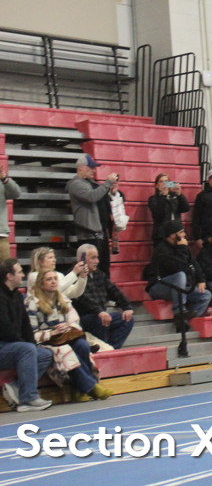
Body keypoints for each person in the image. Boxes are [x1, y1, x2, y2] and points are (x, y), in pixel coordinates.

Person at [26, 270, 112, 402]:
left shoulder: (62, 298)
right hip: (46, 342)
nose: (53, 282)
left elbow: (74, 320)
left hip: (65, 337)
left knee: (82, 345)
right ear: (41, 284)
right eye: (49, 279)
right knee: (65, 350)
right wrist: (51, 333)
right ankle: (92, 387)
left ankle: (79, 390)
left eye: (55, 278)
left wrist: (67, 326)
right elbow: (30, 334)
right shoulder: (32, 303)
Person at [0, 258, 53, 412]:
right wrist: (26, 345)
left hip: (13, 345)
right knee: (27, 350)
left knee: (45, 354)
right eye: (20, 272)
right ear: (9, 276)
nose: (23, 275)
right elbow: (4, 329)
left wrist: (33, 345)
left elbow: (25, 325)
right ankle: (28, 399)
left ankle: (15, 387)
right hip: (3, 345)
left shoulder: (17, 295)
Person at [146, 220, 212, 322]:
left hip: (179, 288)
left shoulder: (182, 247)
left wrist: (201, 279)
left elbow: (193, 263)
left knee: (205, 295)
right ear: (172, 235)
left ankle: (184, 321)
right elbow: (178, 268)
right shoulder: (162, 250)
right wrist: (182, 248)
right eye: (181, 232)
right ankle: (179, 310)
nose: (184, 235)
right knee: (180, 275)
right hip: (160, 286)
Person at [72, 244, 134, 349]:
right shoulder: (73, 276)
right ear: (81, 259)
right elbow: (82, 298)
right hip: (84, 318)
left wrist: (127, 307)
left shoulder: (99, 274)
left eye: (97, 258)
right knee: (100, 320)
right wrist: (99, 311)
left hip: (101, 314)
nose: (97, 261)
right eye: (93, 258)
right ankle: (104, 350)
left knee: (127, 319)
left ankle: (111, 348)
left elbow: (114, 290)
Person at [66, 154, 119, 275]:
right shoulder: (76, 184)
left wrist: (111, 191)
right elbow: (92, 197)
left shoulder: (91, 183)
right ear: (80, 168)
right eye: (90, 168)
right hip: (88, 236)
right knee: (91, 271)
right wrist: (107, 183)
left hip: (99, 234)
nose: (94, 171)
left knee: (104, 270)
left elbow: (100, 197)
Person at [148, 173, 190, 243]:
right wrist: (163, 196)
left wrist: (180, 194)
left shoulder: (174, 197)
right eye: (161, 182)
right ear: (156, 185)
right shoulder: (153, 199)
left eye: (166, 181)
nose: (164, 184)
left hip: (177, 232)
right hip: (161, 234)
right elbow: (158, 214)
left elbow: (185, 208)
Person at [0, 165, 21, 260]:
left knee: (5, 267)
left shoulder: (1, 182)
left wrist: (4, 178)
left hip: (1, 235)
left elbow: (16, 193)